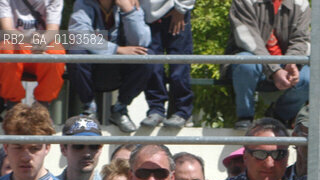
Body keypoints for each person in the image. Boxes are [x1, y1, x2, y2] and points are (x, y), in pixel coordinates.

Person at [68, 0, 153, 133]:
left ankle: (120, 108)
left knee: (146, 55)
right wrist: (117, 49)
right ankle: (90, 109)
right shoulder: (83, 3)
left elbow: (142, 41)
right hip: (93, 67)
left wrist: (128, 10)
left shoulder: (130, 3)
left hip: (119, 69)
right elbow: (78, 35)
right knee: (76, 51)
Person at [226, 0, 310, 129]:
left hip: (285, 64)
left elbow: (301, 39)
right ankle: (245, 117)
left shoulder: (301, 3)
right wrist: (274, 70)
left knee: (309, 78)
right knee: (245, 62)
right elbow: (248, 39)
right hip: (252, 62)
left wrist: (291, 63)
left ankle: (278, 117)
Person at [0, 103, 77, 180]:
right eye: (18, 147)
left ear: (47, 148)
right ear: (6, 147)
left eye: (34, 148)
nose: (26, 157)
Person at [0, 0, 65, 113]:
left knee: (57, 51)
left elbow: (53, 30)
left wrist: (42, 43)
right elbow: (7, 30)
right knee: (6, 48)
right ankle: (13, 105)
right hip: (17, 44)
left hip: (43, 43)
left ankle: (42, 106)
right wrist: (29, 41)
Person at [139, 0, 195, 129]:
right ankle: (155, 109)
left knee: (179, 68)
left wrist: (181, 8)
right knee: (153, 66)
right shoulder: (86, 6)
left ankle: (182, 111)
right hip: (144, 15)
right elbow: (84, 39)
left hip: (174, 10)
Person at [57, 115, 105, 180]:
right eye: (78, 146)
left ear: (101, 148)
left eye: (94, 146)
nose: (87, 153)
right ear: (63, 149)